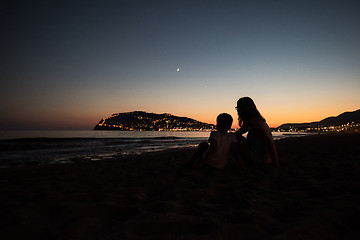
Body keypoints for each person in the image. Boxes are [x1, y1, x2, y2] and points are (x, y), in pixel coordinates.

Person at [235, 97, 280, 168]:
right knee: (236, 138)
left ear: (244, 109)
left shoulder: (254, 122)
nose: (237, 110)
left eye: (238, 108)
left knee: (234, 142)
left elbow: (270, 143)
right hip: (264, 158)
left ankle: (242, 166)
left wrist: (276, 164)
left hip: (261, 159)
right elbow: (238, 133)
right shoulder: (253, 121)